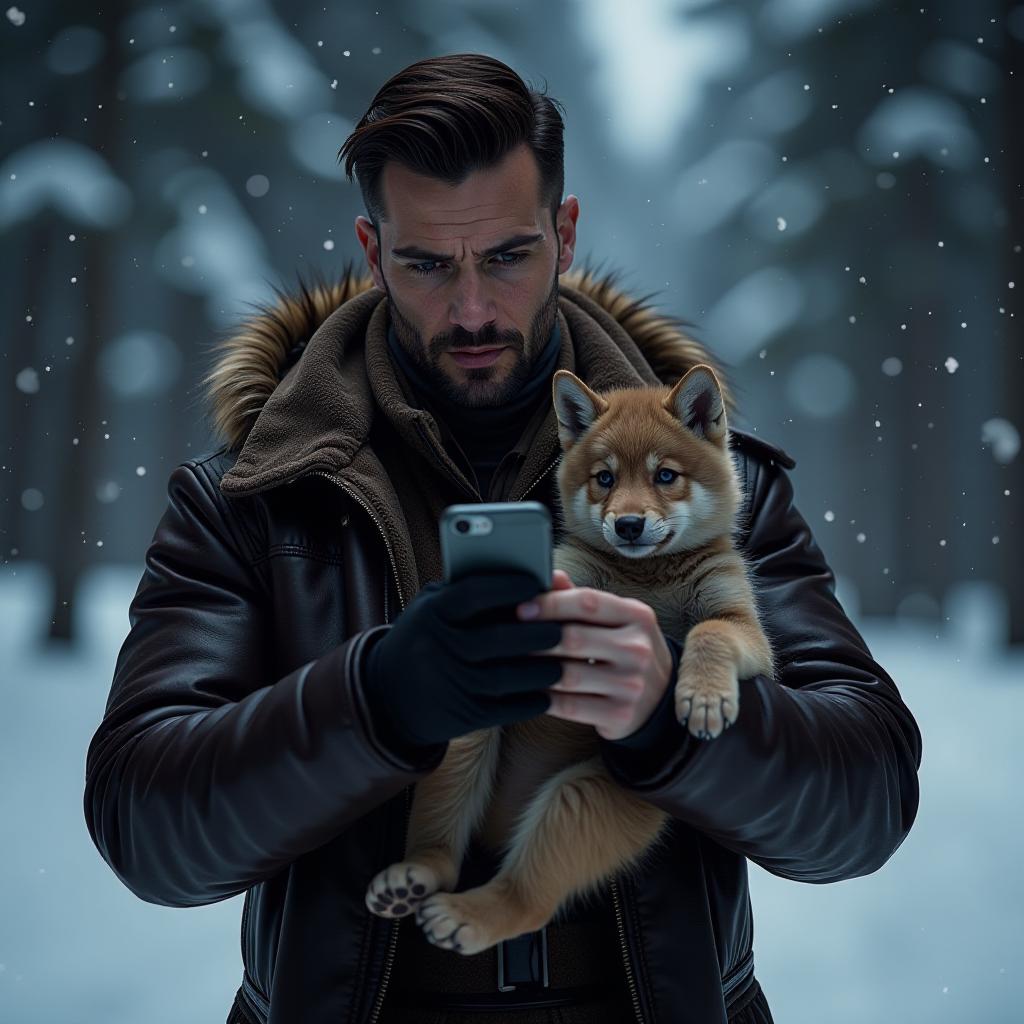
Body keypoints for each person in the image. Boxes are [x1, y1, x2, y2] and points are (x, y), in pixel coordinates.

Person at [83, 52, 923, 1024]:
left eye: (508, 256)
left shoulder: (720, 489)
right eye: (428, 264)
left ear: (563, 234)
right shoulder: (252, 501)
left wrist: (669, 725)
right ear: (371, 248)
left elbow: (862, 808)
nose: (471, 307)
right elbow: (148, 833)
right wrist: (376, 700)